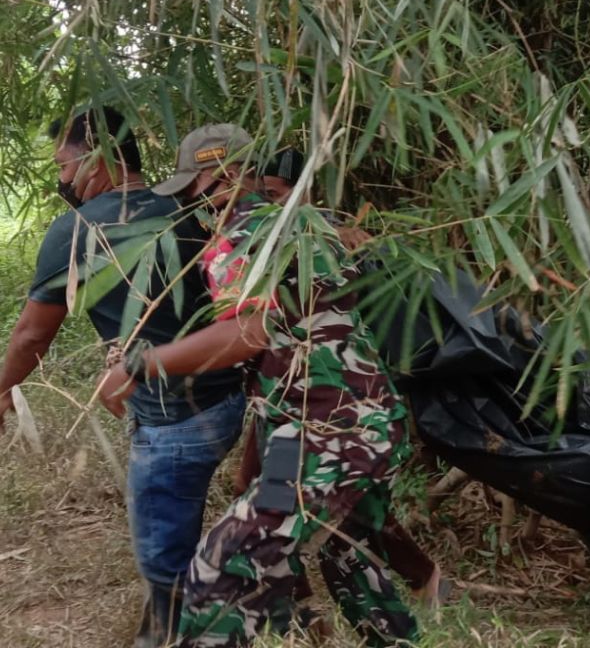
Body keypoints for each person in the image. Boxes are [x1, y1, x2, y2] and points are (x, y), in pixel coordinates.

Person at [94, 124, 416, 647]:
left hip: (330, 437)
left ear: (219, 179)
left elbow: (251, 333)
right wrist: (254, 469)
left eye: (196, 191)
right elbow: (280, 360)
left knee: (219, 570)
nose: (197, 207)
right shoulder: (303, 226)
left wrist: (140, 365)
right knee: (349, 556)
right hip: (348, 426)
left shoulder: (244, 235)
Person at [0, 109, 246, 648]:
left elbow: (31, 338)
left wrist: (0, 390)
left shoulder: (77, 229)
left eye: (65, 164)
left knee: (163, 559)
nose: (62, 179)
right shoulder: (184, 207)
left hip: (172, 419)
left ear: (102, 158)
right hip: (229, 400)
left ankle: (204, 634)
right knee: (187, 531)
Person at [240, 143, 444, 606]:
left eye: (274, 194)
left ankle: (327, 609)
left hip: (324, 395)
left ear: (302, 193)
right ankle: (315, 608)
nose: (266, 205)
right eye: (261, 195)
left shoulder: (322, 240)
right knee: (284, 499)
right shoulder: (279, 237)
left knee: (315, 508)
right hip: (286, 393)